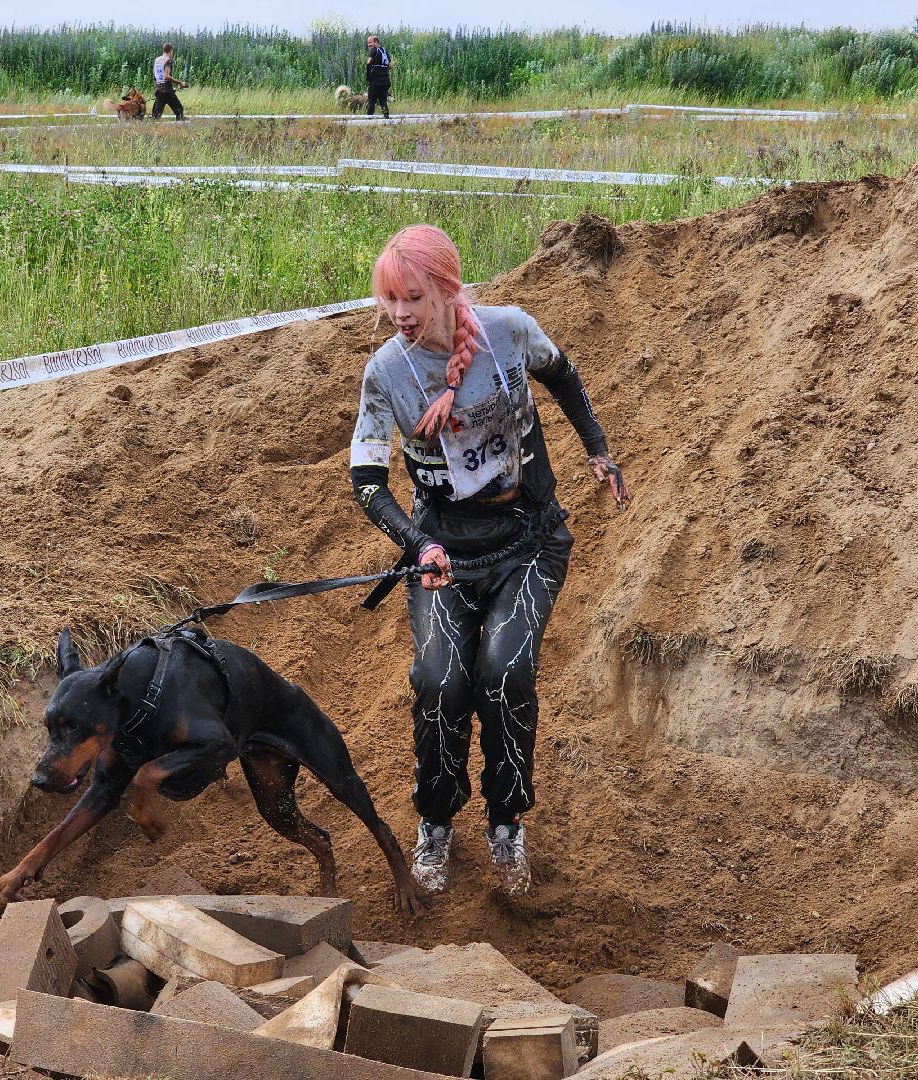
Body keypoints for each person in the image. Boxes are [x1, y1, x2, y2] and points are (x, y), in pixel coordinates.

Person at [349, 225, 627, 898]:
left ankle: (507, 826)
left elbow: (561, 373)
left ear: (446, 290)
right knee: (441, 683)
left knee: (503, 673)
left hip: (527, 543)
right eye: (391, 300)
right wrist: (419, 546)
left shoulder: (509, 330)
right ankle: (436, 824)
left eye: (413, 297)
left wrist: (596, 447)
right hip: (443, 553)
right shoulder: (388, 371)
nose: (400, 314)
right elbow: (366, 478)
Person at [152, 43, 188, 121]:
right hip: (167, 90)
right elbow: (167, 76)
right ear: (171, 51)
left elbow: (154, 75)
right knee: (179, 111)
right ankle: (180, 129)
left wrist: (160, 84)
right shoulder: (168, 60)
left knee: (156, 116)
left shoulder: (157, 60)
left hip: (158, 89)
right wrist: (180, 83)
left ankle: (152, 130)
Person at [365, 34, 392, 119]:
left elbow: (369, 62)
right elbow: (390, 65)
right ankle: (387, 119)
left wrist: (368, 76)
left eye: (370, 42)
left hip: (375, 81)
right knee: (383, 101)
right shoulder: (384, 51)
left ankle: (368, 120)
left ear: (376, 42)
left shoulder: (374, 50)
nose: (368, 45)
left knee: (371, 101)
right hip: (386, 81)